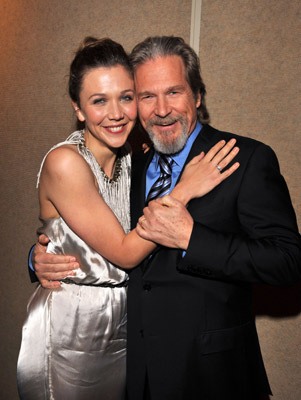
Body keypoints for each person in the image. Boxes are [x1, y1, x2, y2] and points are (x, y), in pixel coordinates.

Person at [31, 36, 301, 400]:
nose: (161, 110)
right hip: (131, 369)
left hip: (211, 374)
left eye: (174, 92)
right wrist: (38, 258)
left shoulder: (244, 159)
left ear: (197, 96)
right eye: (146, 96)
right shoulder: (131, 161)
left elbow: (288, 262)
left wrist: (194, 239)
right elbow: (92, 232)